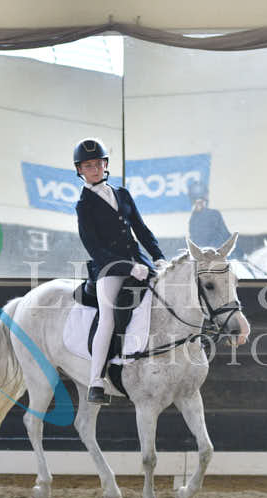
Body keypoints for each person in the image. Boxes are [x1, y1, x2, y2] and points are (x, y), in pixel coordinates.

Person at [73, 138, 167, 404]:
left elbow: (141, 229)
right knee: (108, 318)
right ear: (80, 170)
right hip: (109, 269)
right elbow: (95, 248)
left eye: (98, 164)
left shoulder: (122, 194)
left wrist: (158, 257)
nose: (94, 169)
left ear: (105, 164)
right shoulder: (83, 206)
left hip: (140, 262)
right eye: (88, 166)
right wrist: (128, 267)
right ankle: (96, 381)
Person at [186, 180, 232, 249]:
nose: (198, 204)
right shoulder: (193, 218)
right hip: (203, 252)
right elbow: (194, 239)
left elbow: (225, 236)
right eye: (196, 201)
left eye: (200, 201)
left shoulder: (214, 214)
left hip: (214, 251)